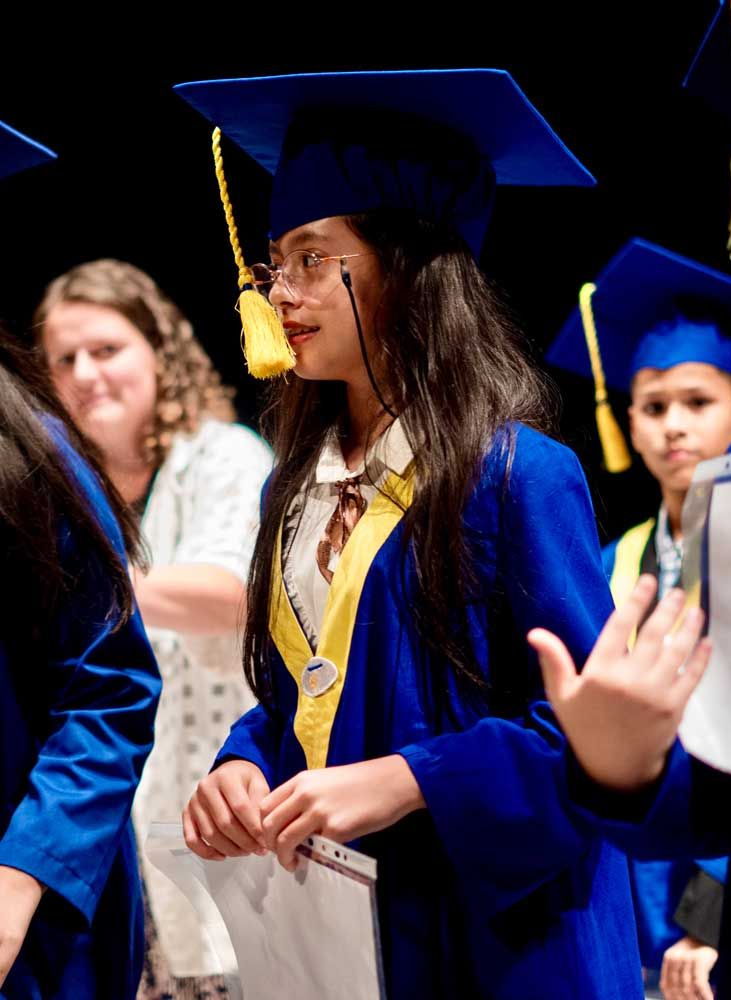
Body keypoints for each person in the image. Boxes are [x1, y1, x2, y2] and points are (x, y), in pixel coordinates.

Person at [173, 68, 644, 999]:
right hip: (342, 938)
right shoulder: (295, 492)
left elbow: (598, 744)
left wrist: (413, 778)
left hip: (500, 940)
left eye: (314, 259)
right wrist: (240, 762)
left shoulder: (517, 477)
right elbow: (304, 698)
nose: (281, 296)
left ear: (409, 266)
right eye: (277, 264)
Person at [547, 236, 731, 996]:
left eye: (697, 404)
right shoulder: (613, 561)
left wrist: (709, 911)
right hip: (632, 874)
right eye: (653, 408)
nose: (673, 428)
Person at [34, 259, 273, 996]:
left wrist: (77, 594)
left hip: (221, 812)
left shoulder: (224, 457)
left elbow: (230, 593)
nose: (85, 373)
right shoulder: (61, 489)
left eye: (106, 349)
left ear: (158, 352)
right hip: (112, 839)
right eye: (64, 359)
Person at [0, 119, 161, 999]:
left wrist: (25, 875)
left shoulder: (30, 454)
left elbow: (110, 690)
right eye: (73, 356)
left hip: (25, 915)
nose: (90, 372)